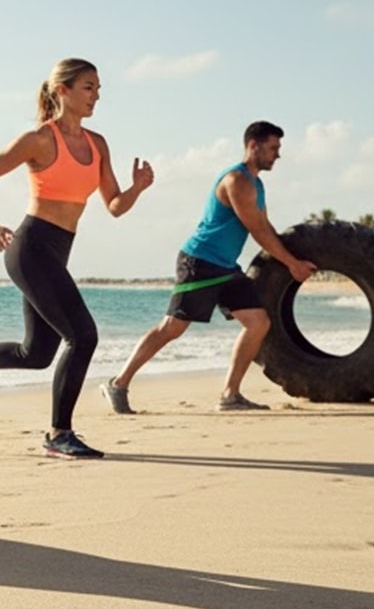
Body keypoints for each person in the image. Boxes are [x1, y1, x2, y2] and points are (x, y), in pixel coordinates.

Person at [0, 58, 152, 458]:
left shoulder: (98, 144)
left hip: (57, 251)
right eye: (88, 87)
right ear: (62, 90)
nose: (96, 95)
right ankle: (58, 434)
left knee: (37, 354)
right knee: (83, 336)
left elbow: (114, 205)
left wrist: (137, 189)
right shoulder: (40, 140)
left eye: (98, 88)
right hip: (30, 248)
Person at [102, 121, 316, 414]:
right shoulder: (236, 181)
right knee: (172, 328)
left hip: (226, 266)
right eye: (273, 148)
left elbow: (266, 226)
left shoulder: (257, 184)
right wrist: (292, 264)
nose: (277, 155)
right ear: (253, 145)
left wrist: (293, 256)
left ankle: (230, 395)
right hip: (200, 262)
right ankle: (119, 383)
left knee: (258, 322)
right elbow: (258, 231)